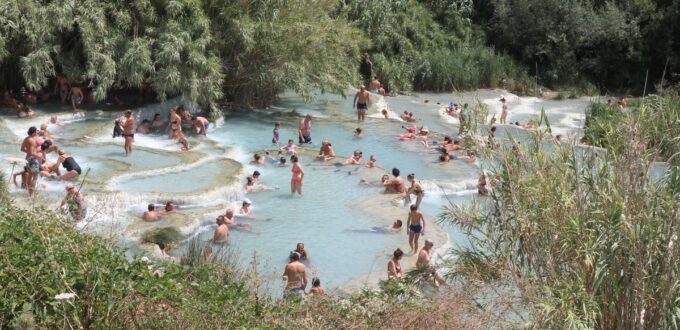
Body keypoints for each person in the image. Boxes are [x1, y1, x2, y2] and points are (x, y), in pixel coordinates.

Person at [21, 126, 40, 195]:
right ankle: (31, 194)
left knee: (30, 175)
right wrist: (38, 155)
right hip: (33, 159)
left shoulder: (26, 139)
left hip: (27, 158)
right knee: (35, 177)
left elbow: (22, 149)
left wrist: (29, 153)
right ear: (34, 132)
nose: (37, 132)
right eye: (36, 131)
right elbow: (32, 152)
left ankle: (28, 191)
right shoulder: (32, 140)